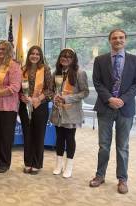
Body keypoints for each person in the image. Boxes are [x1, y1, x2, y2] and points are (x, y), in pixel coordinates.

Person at [89, 29, 136, 194]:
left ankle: (122, 179)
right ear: (109, 40)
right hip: (105, 107)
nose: (118, 40)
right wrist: (110, 99)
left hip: (126, 108)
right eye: (114, 38)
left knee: (122, 146)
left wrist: (122, 99)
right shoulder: (100, 60)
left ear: (125, 40)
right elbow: (97, 82)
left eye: (121, 38)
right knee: (104, 145)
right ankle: (100, 175)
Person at [50, 48, 89, 178]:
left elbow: (85, 92)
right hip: (58, 111)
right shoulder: (56, 73)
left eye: (69, 56)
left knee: (69, 138)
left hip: (71, 112)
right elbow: (51, 90)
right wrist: (53, 97)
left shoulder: (80, 73)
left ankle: (69, 166)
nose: (65, 58)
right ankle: (58, 164)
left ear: (73, 59)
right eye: (63, 56)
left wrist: (67, 98)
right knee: (59, 138)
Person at [0, 40, 22, 173]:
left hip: (7, 108)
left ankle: (5, 163)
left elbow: (15, 88)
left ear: (9, 51)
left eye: (3, 49)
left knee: (5, 137)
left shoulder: (14, 66)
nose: (0, 51)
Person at [19, 46, 53, 175]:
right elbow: (19, 89)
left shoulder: (45, 69)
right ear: (29, 55)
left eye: (37, 54)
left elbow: (50, 89)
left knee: (38, 135)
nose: (34, 56)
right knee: (27, 135)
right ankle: (28, 162)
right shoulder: (23, 70)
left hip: (40, 106)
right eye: (32, 53)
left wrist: (37, 99)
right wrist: (22, 96)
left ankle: (37, 163)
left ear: (41, 56)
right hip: (24, 106)